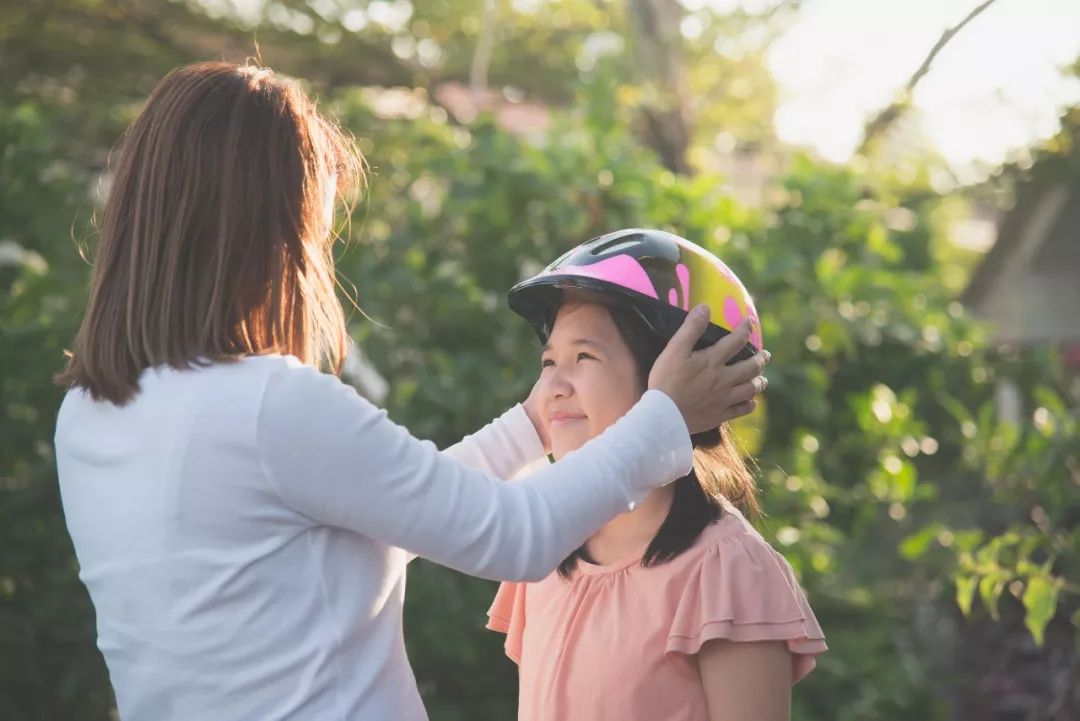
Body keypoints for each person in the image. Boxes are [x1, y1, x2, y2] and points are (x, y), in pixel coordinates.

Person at [51, 63, 771, 720]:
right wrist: (665, 416)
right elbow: (512, 534)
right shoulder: (272, 405)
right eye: (311, 230)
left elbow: (395, 516)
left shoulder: (88, 416)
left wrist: (533, 422)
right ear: (265, 231)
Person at [487, 229, 826, 721]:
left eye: (584, 356)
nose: (553, 387)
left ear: (673, 382)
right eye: (548, 361)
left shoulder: (727, 572)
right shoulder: (544, 548)